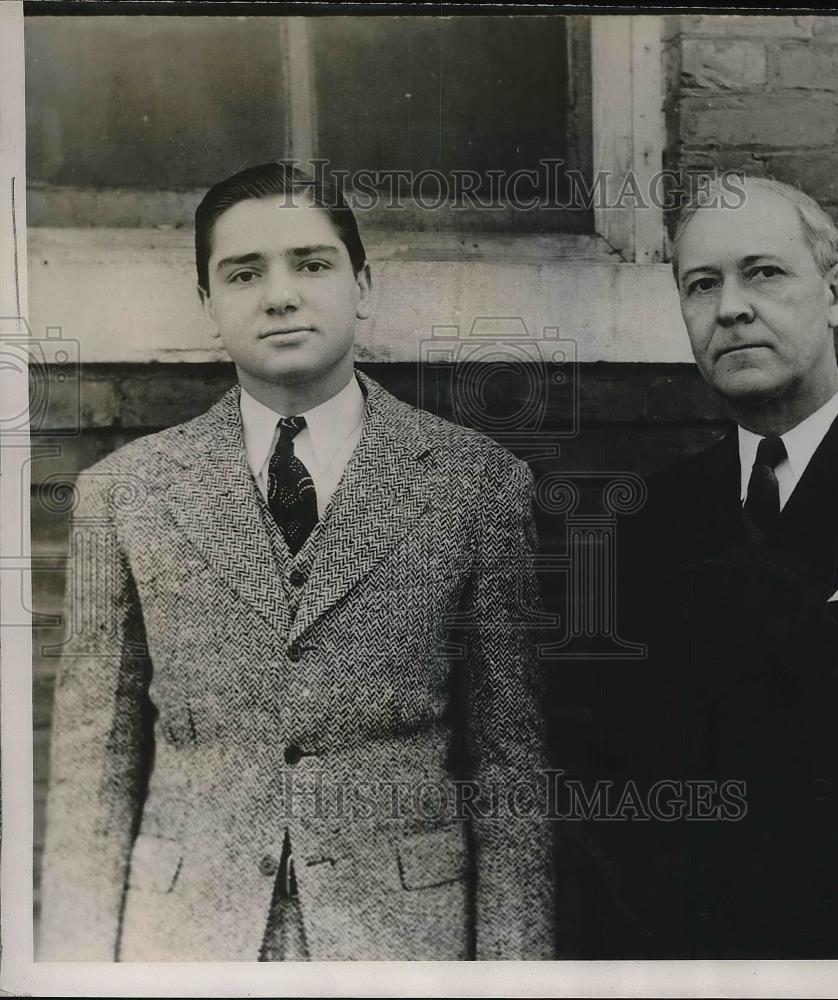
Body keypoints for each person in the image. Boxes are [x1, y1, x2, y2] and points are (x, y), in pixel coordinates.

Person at [38, 162, 553, 962]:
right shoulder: (126, 493)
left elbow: (509, 765)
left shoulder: (474, 483)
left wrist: (514, 974)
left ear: (363, 284)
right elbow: (91, 766)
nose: (280, 295)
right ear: (208, 306)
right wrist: (73, 964)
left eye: (311, 264)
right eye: (243, 274)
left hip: (403, 939)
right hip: (185, 939)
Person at [576, 176, 838, 959]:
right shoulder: (643, 521)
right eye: (702, 285)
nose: (732, 307)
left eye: (765, 273)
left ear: (837, 292)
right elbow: (616, 786)